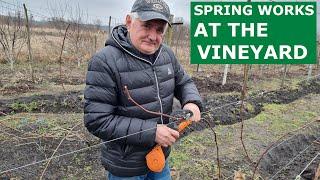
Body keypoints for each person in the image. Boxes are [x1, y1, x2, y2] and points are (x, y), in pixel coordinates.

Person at [84, 0, 202, 179]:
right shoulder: (105, 61)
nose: (153, 36)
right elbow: (97, 120)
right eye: (147, 26)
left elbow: (184, 82)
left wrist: (192, 101)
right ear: (129, 22)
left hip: (159, 157)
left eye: (159, 30)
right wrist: (151, 132)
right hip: (125, 166)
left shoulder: (166, 54)